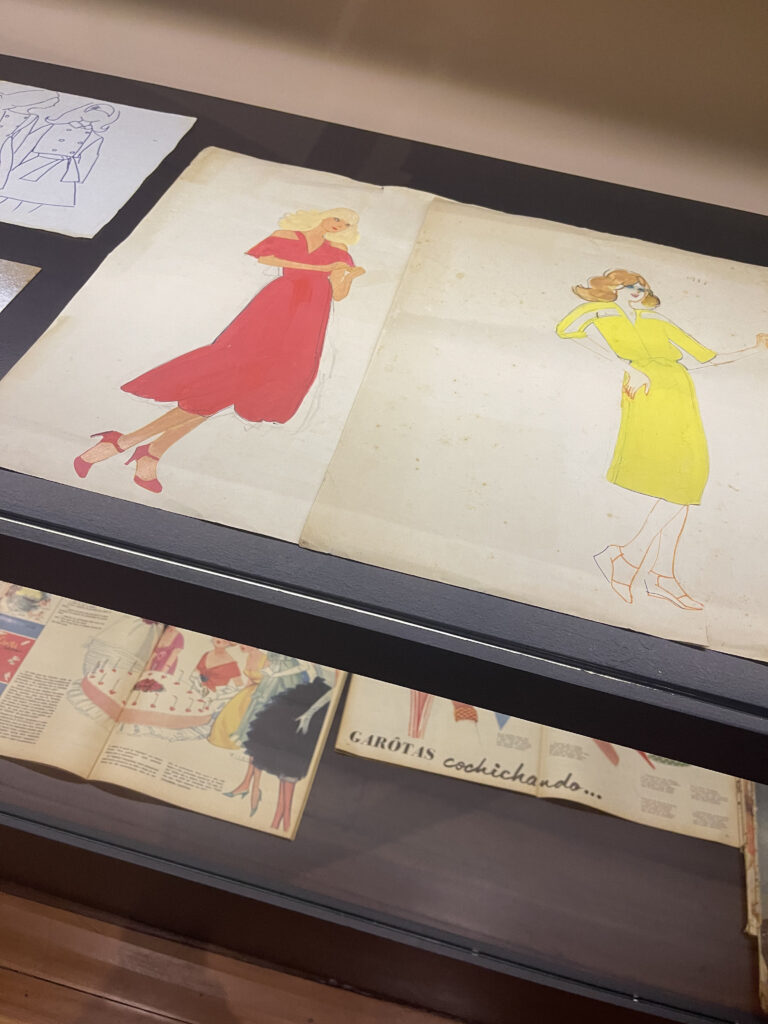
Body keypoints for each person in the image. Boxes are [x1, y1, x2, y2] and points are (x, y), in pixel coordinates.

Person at [73, 208, 366, 492]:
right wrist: (320, 268)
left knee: (253, 381)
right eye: (337, 218)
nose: (339, 225)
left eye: (346, 224)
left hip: (310, 317)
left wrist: (347, 278)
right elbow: (266, 258)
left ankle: (139, 446)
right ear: (324, 215)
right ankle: (136, 446)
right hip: (277, 306)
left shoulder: (339, 251)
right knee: (234, 372)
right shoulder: (289, 236)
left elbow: (337, 294)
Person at [556, 270, 767, 609]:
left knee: (688, 479)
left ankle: (649, 570)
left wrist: (755, 350)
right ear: (613, 288)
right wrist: (628, 368)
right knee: (676, 483)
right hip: (646, 392)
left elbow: (706, 358)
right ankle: (641, 567)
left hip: (679, 392)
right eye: (629, 286)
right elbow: (566, 330)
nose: (637, 291)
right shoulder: (601, 312)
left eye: (642, 286)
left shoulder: (657, 320)